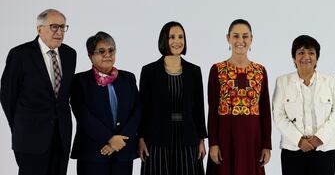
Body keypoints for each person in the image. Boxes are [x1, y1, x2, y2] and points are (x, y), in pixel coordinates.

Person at [0, 9, 76, 175]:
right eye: (54, 27)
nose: (59, 32)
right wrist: (21, 125)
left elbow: (65, 95)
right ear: (39, 29)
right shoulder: (20, 54)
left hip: (61, 136)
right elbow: (7, 96)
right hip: (30, 137)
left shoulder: (70, 54)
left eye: (63, 27)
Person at [138, 21, 207, 175]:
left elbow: (198, 108)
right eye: (172, 37)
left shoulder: (194, 71)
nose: (177, 41)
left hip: (188, 138)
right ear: (164, 40)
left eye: (181, 37)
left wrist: (201, 139)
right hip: (156, 139)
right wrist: (141, 138)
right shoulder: (149, 71)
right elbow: (144, 108)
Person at [69, 31, 141, 175]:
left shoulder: (128, 78)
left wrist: (120, 141)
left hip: (123, 152)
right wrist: (109, 139)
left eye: (111, 50)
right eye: (101, 51)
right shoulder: (79, 81)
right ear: (90, 56)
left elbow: (138, 110)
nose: (107, 54)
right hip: (93, 153)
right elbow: (83, 116)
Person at [206, 19, 272, 175]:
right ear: (228, 38)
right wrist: (213, 143)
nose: (240, 41)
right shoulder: (217, 70)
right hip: (225, 138)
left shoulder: (260, 71)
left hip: (252, 140)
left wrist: (266, 145)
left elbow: (265, 111)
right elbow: (212, 109)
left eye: (245, 36)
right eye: (235, 36)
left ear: (251, 39)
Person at [272, 35, 335, 175]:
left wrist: (319, 138)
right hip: (292, 150)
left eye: (311, 52)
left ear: (317, 57)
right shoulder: (282, 82)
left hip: (324, 150)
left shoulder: (332, 82)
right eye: (300, 52)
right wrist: (298, 141)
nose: (306, 56)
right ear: (294, 58)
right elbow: (278, 115)